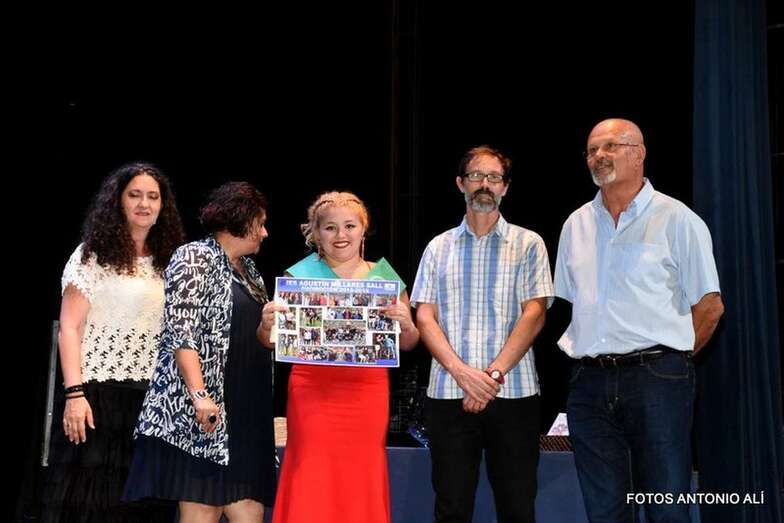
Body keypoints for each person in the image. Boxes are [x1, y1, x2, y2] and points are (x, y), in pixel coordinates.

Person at [554, 118, 724, 523]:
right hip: (589, 382)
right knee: (604, 510)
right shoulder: (575, 224)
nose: (599, 156)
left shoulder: (677, 218)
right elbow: (572, 301)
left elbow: (710, 306)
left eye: (611, 146)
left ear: (639, 154)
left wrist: (673, 361)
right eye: (592, 150)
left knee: (666, 506)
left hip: (657, 379)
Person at [411, 145, 553, 523]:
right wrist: (463, 374)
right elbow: (424, 316)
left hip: (513, 393)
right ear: (461, 184)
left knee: (517, 508)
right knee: (451, 508)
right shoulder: (438, 247)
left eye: (494, 177)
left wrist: (491, 376)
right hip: (449, 393)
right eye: (476, 176)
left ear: (505, 187)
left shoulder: (529, 243)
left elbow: (535, 314)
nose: (485, 184)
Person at [260, 191, 420, 523]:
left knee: (361, 472)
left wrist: (406, 324)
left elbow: (408, 344)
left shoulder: (385, 278)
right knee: (311, 470)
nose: (340, 235)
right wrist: (266, 325)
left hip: (366, 392)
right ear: (316, 234)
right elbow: (269, 342)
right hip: (311, 391)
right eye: (330, 227)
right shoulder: (298, 277)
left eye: (349, 226)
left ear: (364, 229)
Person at [124, 182, 277, 522]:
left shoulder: (251, 272)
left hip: (246, 411)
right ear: (241, 220)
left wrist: (268, 327)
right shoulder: (194, 257)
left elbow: (259, 339)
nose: (265, 233)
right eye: (261, 223)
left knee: (250, 509)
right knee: (203, 509)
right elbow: (182, 332)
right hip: (206, 412)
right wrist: (199, 395)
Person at [42, 162, 185, 522]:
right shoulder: (92, 255)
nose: (144, 204)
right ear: (118, 200)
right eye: (134, 195)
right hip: (96, 397)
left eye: (153, 197)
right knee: (91, 503)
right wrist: (74, 395)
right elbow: (69, 328)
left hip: (152, 402)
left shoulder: (171, 261)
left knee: (142, 506)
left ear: (163, 205)